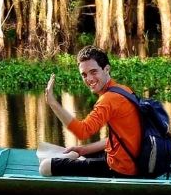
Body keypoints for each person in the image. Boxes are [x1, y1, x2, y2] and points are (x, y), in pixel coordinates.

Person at [41, 46, 142, 177]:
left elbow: (82, 131)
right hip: (131, 160)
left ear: (106, 69)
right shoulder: (124, 90)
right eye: (84, 74)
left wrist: (53, 103)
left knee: (45, 167)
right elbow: (117, 138)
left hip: (122, 168)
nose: (89, 79)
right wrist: (83, 150)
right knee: (77, 154)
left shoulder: (108, 99)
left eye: (93, 72)